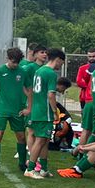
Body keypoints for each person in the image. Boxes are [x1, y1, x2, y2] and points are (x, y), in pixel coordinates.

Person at [0, 48, 33, 175]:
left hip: (17, 110)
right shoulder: (0, 71)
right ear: (8, 59)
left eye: (17, 62)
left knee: (21, 137)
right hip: (2, 110)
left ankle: (22, 164)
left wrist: (29, 108)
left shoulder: (22, 72)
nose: (15, 65)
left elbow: (29, 90)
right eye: (13, 62)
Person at [26, 49, 65, 178]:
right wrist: (55, 112)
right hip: (44, 111)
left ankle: (44, 168)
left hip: (37, 109)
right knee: (41, 139)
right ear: (58, 59)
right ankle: (30, 169)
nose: (61, 66)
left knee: (45, 140)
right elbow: (50, 94)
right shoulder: (50, 73)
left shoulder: (39, 70)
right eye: (61, 63)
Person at [75, 49, 95, 119]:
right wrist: (88, 86)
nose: (92, 58)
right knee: (85, 117)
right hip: (84, 97)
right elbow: (79, 81)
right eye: (90, 56)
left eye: (93, 56)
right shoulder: (82, 68)